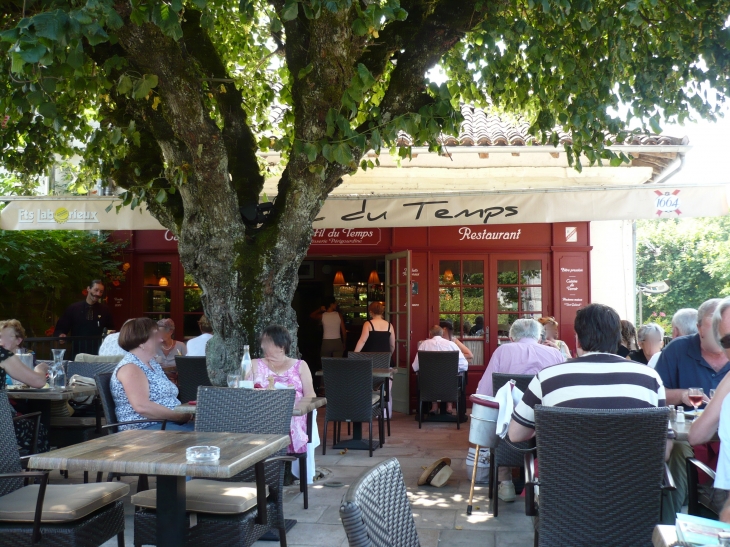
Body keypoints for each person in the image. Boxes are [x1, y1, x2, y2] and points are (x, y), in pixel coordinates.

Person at [508, 304, 672, 504]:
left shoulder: (548, 377)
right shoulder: (650, 378)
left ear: (577, 339)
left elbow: (516, 435)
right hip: (632, 501)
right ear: (617, 338)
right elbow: (664, 449)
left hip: (564, 499)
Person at [476, 318, 564, 502]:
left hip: (510, 427)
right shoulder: (554, 354)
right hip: (544, 425)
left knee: (498, 416)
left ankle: (505, 481)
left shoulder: (503, 351)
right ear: (539, 337)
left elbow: (485, 392)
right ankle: (539, 480)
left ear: (511, 337)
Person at [655, 298, 727, 521]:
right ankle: (671, 524)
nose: (720, 337)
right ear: (698, 328)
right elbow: (655, 393)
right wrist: (681, 395)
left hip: (719, 444)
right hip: (690, 438)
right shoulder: (678, 349)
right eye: (713, 327)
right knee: (678, 451)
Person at [110, 318, 193, 431]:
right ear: (141, 342)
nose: (160, 339)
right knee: (208, 436)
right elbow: (142, 407)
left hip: (165, 425)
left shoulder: (152, 363)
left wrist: (186, 411)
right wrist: (179, 416)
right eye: (155, 335)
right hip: (145, 429)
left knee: (213, 429)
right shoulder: (131, 367)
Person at [251, 325, 316, 454]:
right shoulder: (254, 364)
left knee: (290, 418)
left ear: (281, 346)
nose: (263, 346)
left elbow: (310, 394)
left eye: (267, 342)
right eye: (262, 342)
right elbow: (244, 390)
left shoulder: (300, 365)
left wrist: (297, 406)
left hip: (293, 413)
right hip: (262, 414)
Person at [476, 318, 564, 397]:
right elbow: (564, 386)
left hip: (510, 412)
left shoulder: (502, 350)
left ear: (511, 339)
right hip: (546, 411)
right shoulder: (555, 353)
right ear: (539, 339)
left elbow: (485, 390)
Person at [0, 320, 52, 453]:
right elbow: (39, 382)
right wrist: (41, 369)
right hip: (4, 428)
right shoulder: (3, 355)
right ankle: (37, 471)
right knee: (39, 428)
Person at [412, 325, 468, 415]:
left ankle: (434, 406)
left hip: (429, 385)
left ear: (430, 334)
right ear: (442, 334)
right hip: (449, 384)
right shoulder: (451, 345)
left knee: (432, 378)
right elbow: (464, 365)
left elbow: (415, 367)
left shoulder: (424, 345)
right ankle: (449, 407)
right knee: (450, 377)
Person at [54, 279, 115, 354]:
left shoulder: (105, 310)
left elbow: (110, 328)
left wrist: (111, 334)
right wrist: (61, 335)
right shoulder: (74, 308)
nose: (98, 294)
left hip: (98, 353)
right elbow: (61, 328)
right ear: (88, 289)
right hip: (77, 352)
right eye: (96, 290)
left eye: (101, 292)